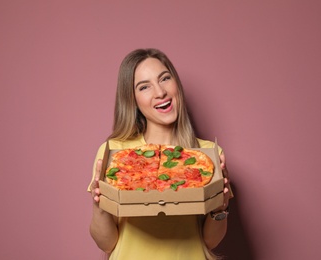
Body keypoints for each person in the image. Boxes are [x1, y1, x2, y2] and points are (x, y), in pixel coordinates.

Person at [88, 48, 231, 259]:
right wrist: (99, 205)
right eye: (144, 87)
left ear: (176, 85)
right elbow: (106, 243)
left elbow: (209, 241)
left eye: (164, 78)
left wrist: (220, 206)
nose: (160, 92)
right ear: (132, 99)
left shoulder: (207, 154)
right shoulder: (115, 153)